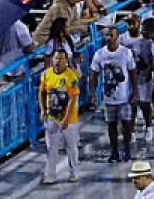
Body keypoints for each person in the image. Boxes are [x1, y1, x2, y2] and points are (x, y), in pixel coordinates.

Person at [90, 27, 137, 162]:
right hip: (109, 97)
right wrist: (93, 93)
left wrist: (135, 93)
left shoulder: (125, 53)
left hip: (125, 96)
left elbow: (133, 73)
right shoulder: (99, 54)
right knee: (111, 124)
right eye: (107, 35)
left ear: (117, 36)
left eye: (111, 35)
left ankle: (126, 149)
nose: (109, 38)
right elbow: (94, 74)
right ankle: (114, 151)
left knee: (126, 124)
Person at [37, 47, 81, 183]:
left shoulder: (71, 77)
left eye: (61, 59)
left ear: (66, 60)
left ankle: (74, 172)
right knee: (51, 147)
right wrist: (43, 110)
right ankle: (50, 175)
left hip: (69, 119)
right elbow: (41, 93)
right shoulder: (46, 75)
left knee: (71, 146)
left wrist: (66, 119)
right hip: (52, 116)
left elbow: (72, 99)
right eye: (56, 58)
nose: (57, 61)